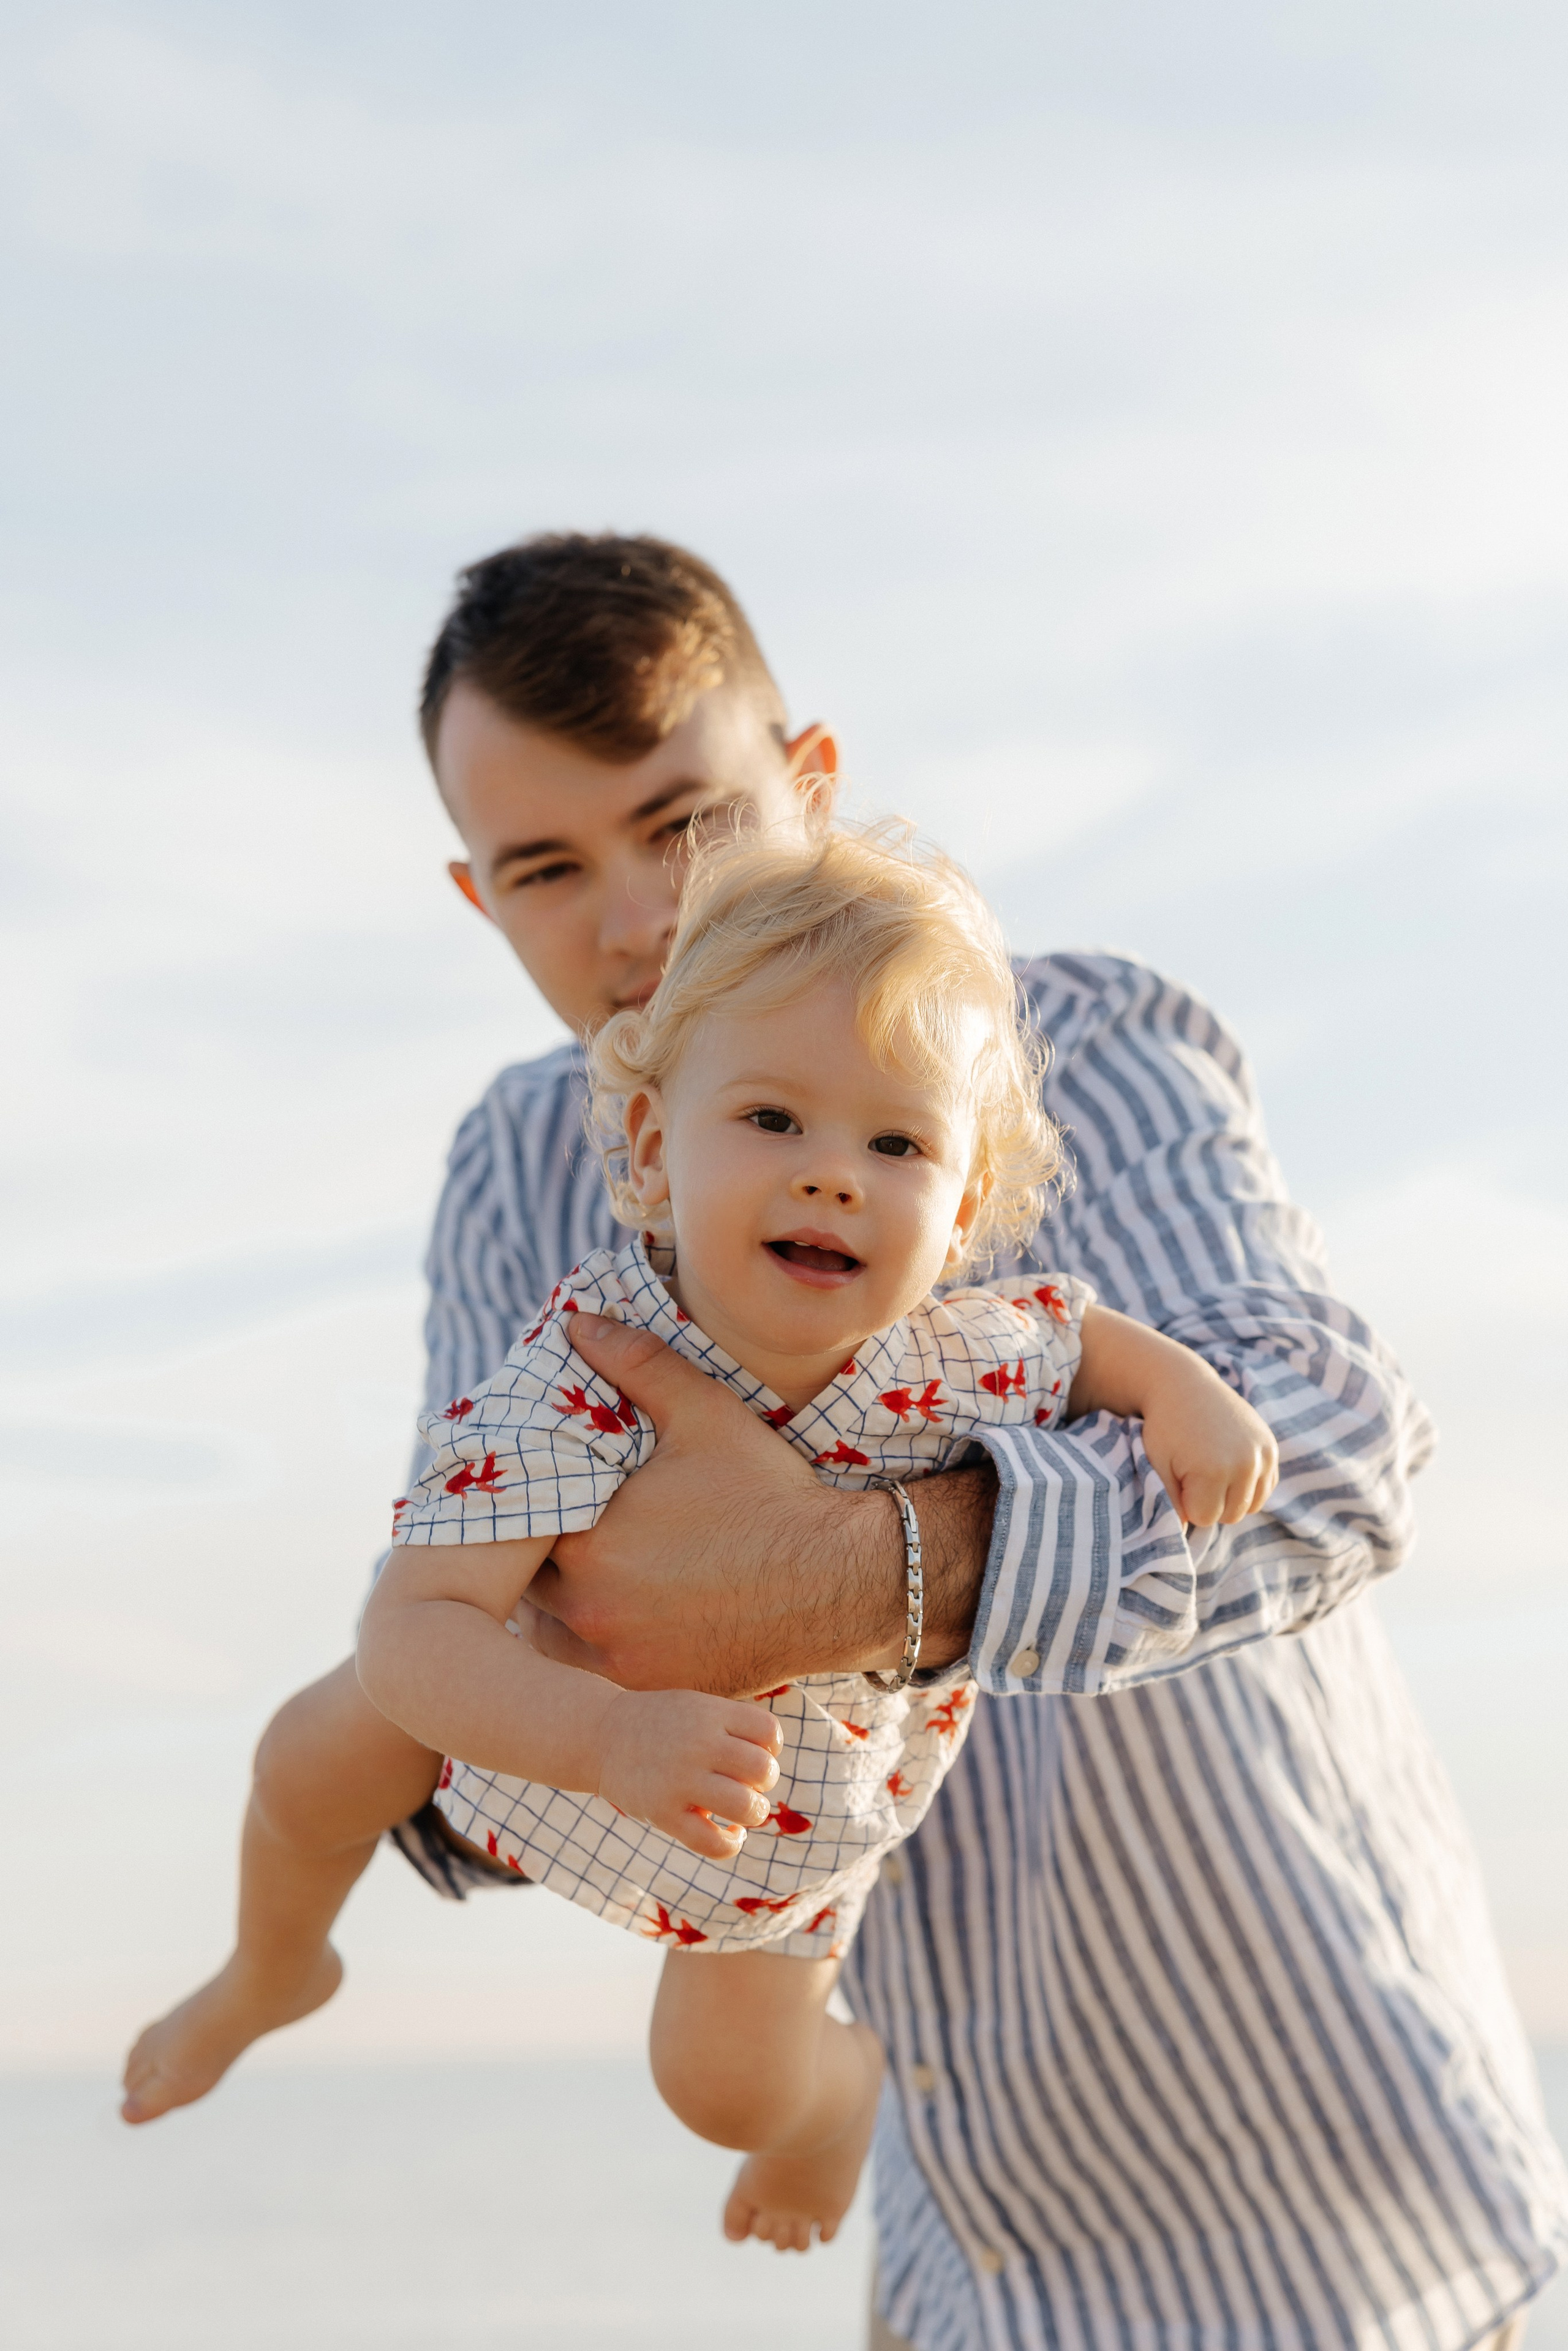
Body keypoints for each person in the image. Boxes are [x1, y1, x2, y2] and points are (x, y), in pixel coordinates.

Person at [126, 535, 1567, 2351]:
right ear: (475, 896)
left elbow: (1339, 1442)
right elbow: (474, 1645)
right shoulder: (515, 1168)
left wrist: (855, 1572)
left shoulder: (1068, 1044)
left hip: (1299, 2186)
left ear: (808, 783)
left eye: (690, 825)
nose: (638, 916)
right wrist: (564, 1695)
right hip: (936, 2215)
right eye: (547, 867)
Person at [356, 822, 1278, 2249]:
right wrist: (599, 1741)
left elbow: (1080, 1339)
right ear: (655, 1151)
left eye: (895, 1142)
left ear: (963, 1205)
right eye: (773, 1120)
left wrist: (1184, 1391)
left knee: (718, 2082)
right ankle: (269, 1951)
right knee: (321, 1743)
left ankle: (835, 2097)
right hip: (565, 1742)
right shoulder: (595, 1356)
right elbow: (411, 1629)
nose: (832, 1172)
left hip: (780, 1814)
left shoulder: (958, 1348)